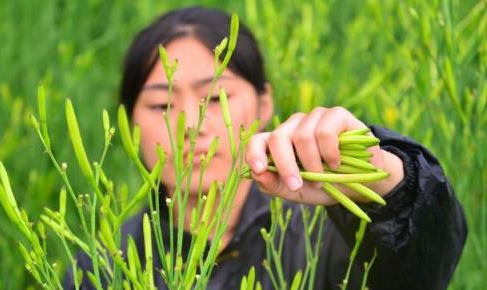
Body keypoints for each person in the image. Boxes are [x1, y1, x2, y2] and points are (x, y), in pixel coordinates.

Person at [64, 6, 467, 290]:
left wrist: (385, 179)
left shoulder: (331, 235)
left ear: (264, 104)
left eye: (215, 97)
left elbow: (423, 270)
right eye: (161, 105)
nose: (190, 125)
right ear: (127, 120)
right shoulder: (96, 266)